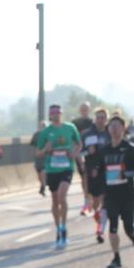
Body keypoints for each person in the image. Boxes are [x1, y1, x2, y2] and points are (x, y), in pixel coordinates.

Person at [99, 113, 134, 268]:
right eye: (111, 126)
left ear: (123, 129)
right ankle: (116, 258)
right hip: (111, 195)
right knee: (113, 226)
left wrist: (126, 174)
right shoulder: (104, 150)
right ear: (108, 129)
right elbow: (99, 171)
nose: (114, 129)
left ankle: (132, 236)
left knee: (127, 227)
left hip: (127, 194)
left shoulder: (129, 149)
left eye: (117, 126)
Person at [36, 104, 82, 249]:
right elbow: (38, 153)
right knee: (55, 201)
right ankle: (58, 228)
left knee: (63, 197)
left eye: (58, 112)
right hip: (52, 169)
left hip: (66, 168)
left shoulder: (70, 128)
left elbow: (79, 143)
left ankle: (64, 226)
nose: (55, 115)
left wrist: (74, 153)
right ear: (50, 115)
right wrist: (45, 149)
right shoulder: (46, 132)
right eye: (53, 113)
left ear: (61, 114)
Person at [81, 108, 111, 243]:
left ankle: (100, 230)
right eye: (98, 117)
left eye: (103, 117)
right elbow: (79, 152)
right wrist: (88, 151)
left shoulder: (110, 133)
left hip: (107, 171)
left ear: (106, 119)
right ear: (95, 118)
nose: (100, 120)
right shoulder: (87, 134)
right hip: (92, 171)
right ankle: (99, 222)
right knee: (96, 203)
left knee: (105, 201)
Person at [72, 102, 95, 216]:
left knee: (94, 178)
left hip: (93, 154)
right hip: (80, 153)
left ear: (89, 110)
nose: (84, 110)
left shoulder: (93, 123)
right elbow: (72, 139)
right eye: (82, 109)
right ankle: (86, 200)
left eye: (86, 108)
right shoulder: (75, 123)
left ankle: (93, 199)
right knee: (84, 177)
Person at [31, 120, 47, 196]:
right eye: (41, 125)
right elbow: (33, 145)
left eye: (44, 125)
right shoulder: (36, 135)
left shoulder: (49, 134)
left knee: (44, 172)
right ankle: (42, 185)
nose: (43, 127)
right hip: (38, 158)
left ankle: (43, 187)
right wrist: (35, 154)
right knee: (39, 174)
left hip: (46, 157)